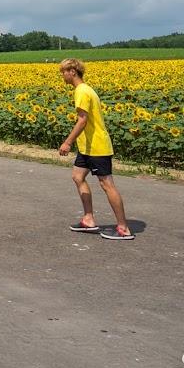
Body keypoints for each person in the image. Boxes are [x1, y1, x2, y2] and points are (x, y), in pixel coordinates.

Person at [57, 58, 133, 241]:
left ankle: (123, 229)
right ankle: (88, 219)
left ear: (73, 71)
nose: (62, 76)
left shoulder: (82, 91)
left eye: (63, 72)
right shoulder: (85, 89)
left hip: (97, 146)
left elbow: (82, 120)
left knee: (107, 184)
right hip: (87, 147)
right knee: (77, 176)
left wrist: (67, 142)